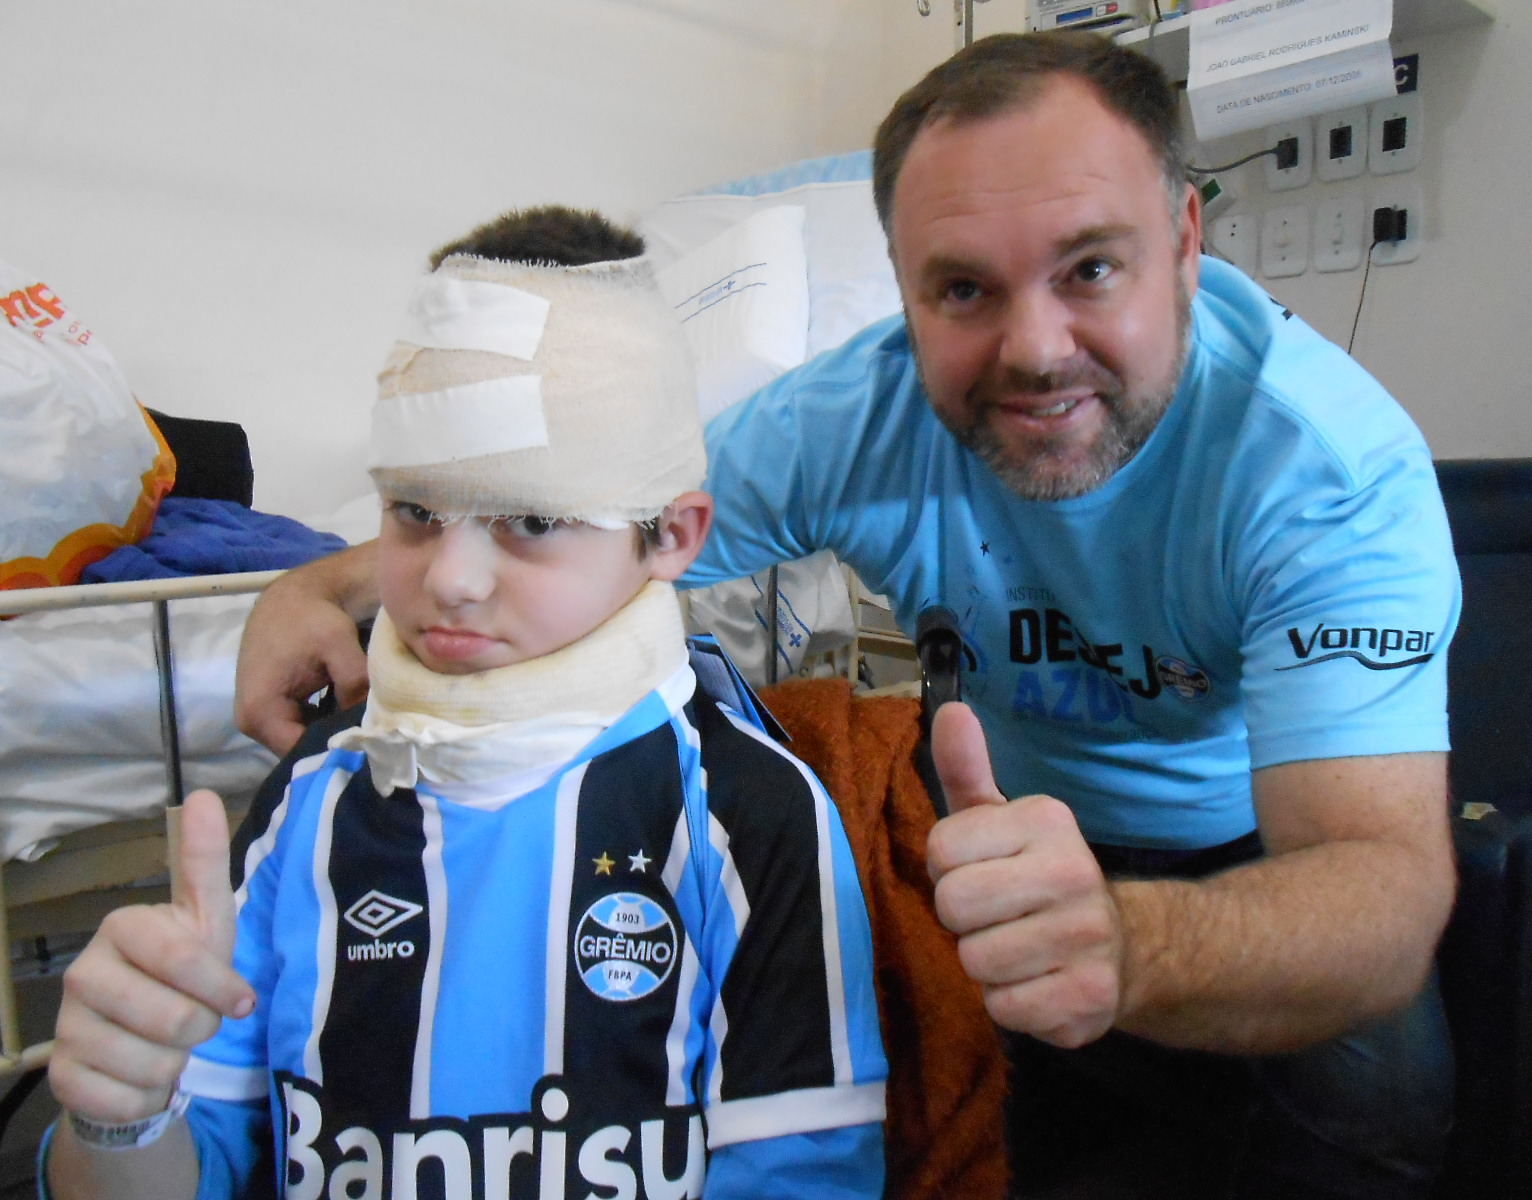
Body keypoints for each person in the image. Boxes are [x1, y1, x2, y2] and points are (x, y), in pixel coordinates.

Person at [230, 32, 1460, 1199]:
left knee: (1385, 1088)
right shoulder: (852, 417)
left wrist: (1125, 945)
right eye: (963, 290)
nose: (1034, 349)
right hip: (993, 829)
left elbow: (1382, 898)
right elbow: (589, 507)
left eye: (1091, 268)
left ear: (1185, 239)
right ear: (904, 290)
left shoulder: (1319, 477)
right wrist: (317, 585)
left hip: (1245, 848)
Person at [43, 207, 889, 1200]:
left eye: (531, 517)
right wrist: (117, 1117)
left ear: (670, 535)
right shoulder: (309, 802)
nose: (449, 579)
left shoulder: (747, 814)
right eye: (415, 510)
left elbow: (803, 1180)